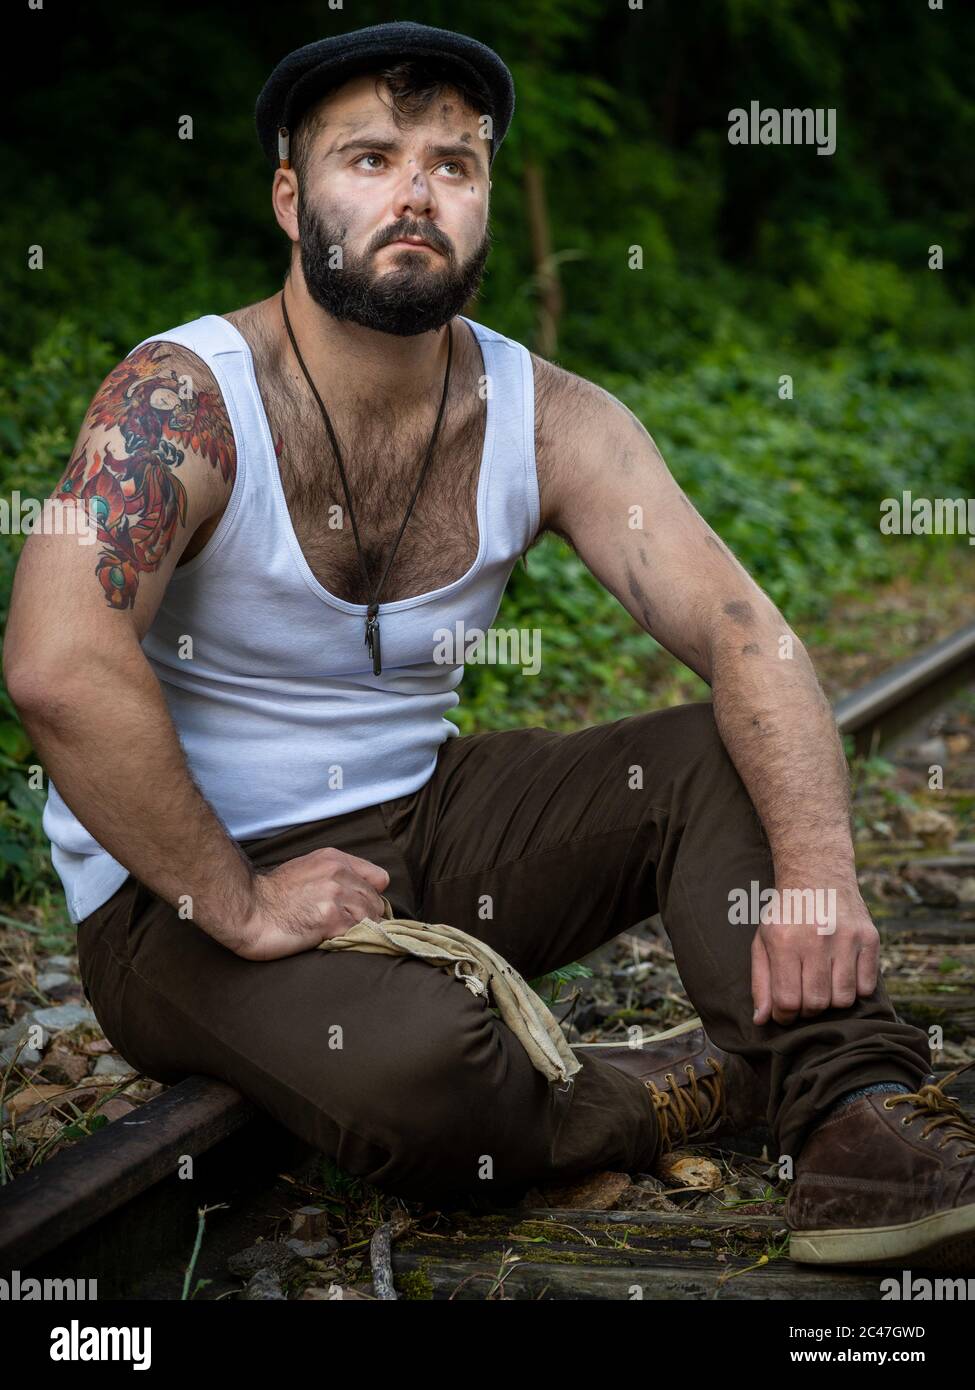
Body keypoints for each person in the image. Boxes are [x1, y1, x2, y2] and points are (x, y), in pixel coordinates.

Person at [5, 21, 973, 1271]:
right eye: (370, 157)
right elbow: (57, 662)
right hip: (176, 885)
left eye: (452, 166)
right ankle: (673, 1084)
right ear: (291, 196)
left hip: (425, 821)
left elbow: (745, 633)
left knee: (727, 762)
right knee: (426, 1072)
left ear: (484, 205)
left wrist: (822, 870)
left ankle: (851, 1119)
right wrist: (240, 903)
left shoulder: (551, 415)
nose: (414, 192)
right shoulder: (182, 398)